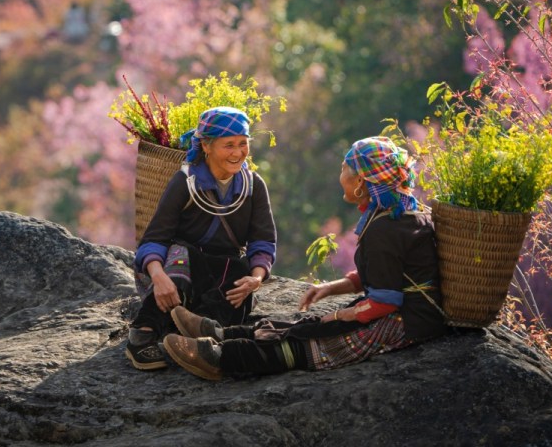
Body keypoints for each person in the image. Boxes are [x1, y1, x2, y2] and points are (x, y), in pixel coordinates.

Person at [162, 136, 445, 380]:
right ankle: (222, 332)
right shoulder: (400, 214)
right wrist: (330, 289)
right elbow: (388, 273)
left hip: (406, 322)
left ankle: (221, 358)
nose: (341, 173)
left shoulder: (385, 228)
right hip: (402, 311)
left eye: (345, 167)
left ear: (361, 180)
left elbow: (386, 300)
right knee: (307, 323)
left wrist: (342, 315)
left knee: (312, 343)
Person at [125, 106, 277, 371]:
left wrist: (256, 278)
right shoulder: (185, 182)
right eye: (228, 145)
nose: (238, 152)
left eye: (243, 144)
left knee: (239, 271)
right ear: (206, 146)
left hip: (222, 267)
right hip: (182, 267)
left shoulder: (253, 186)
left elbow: (262, 242)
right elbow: (154, 240)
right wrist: (159, 278)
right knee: (179, 257)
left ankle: (198, 335)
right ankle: (142, 335)